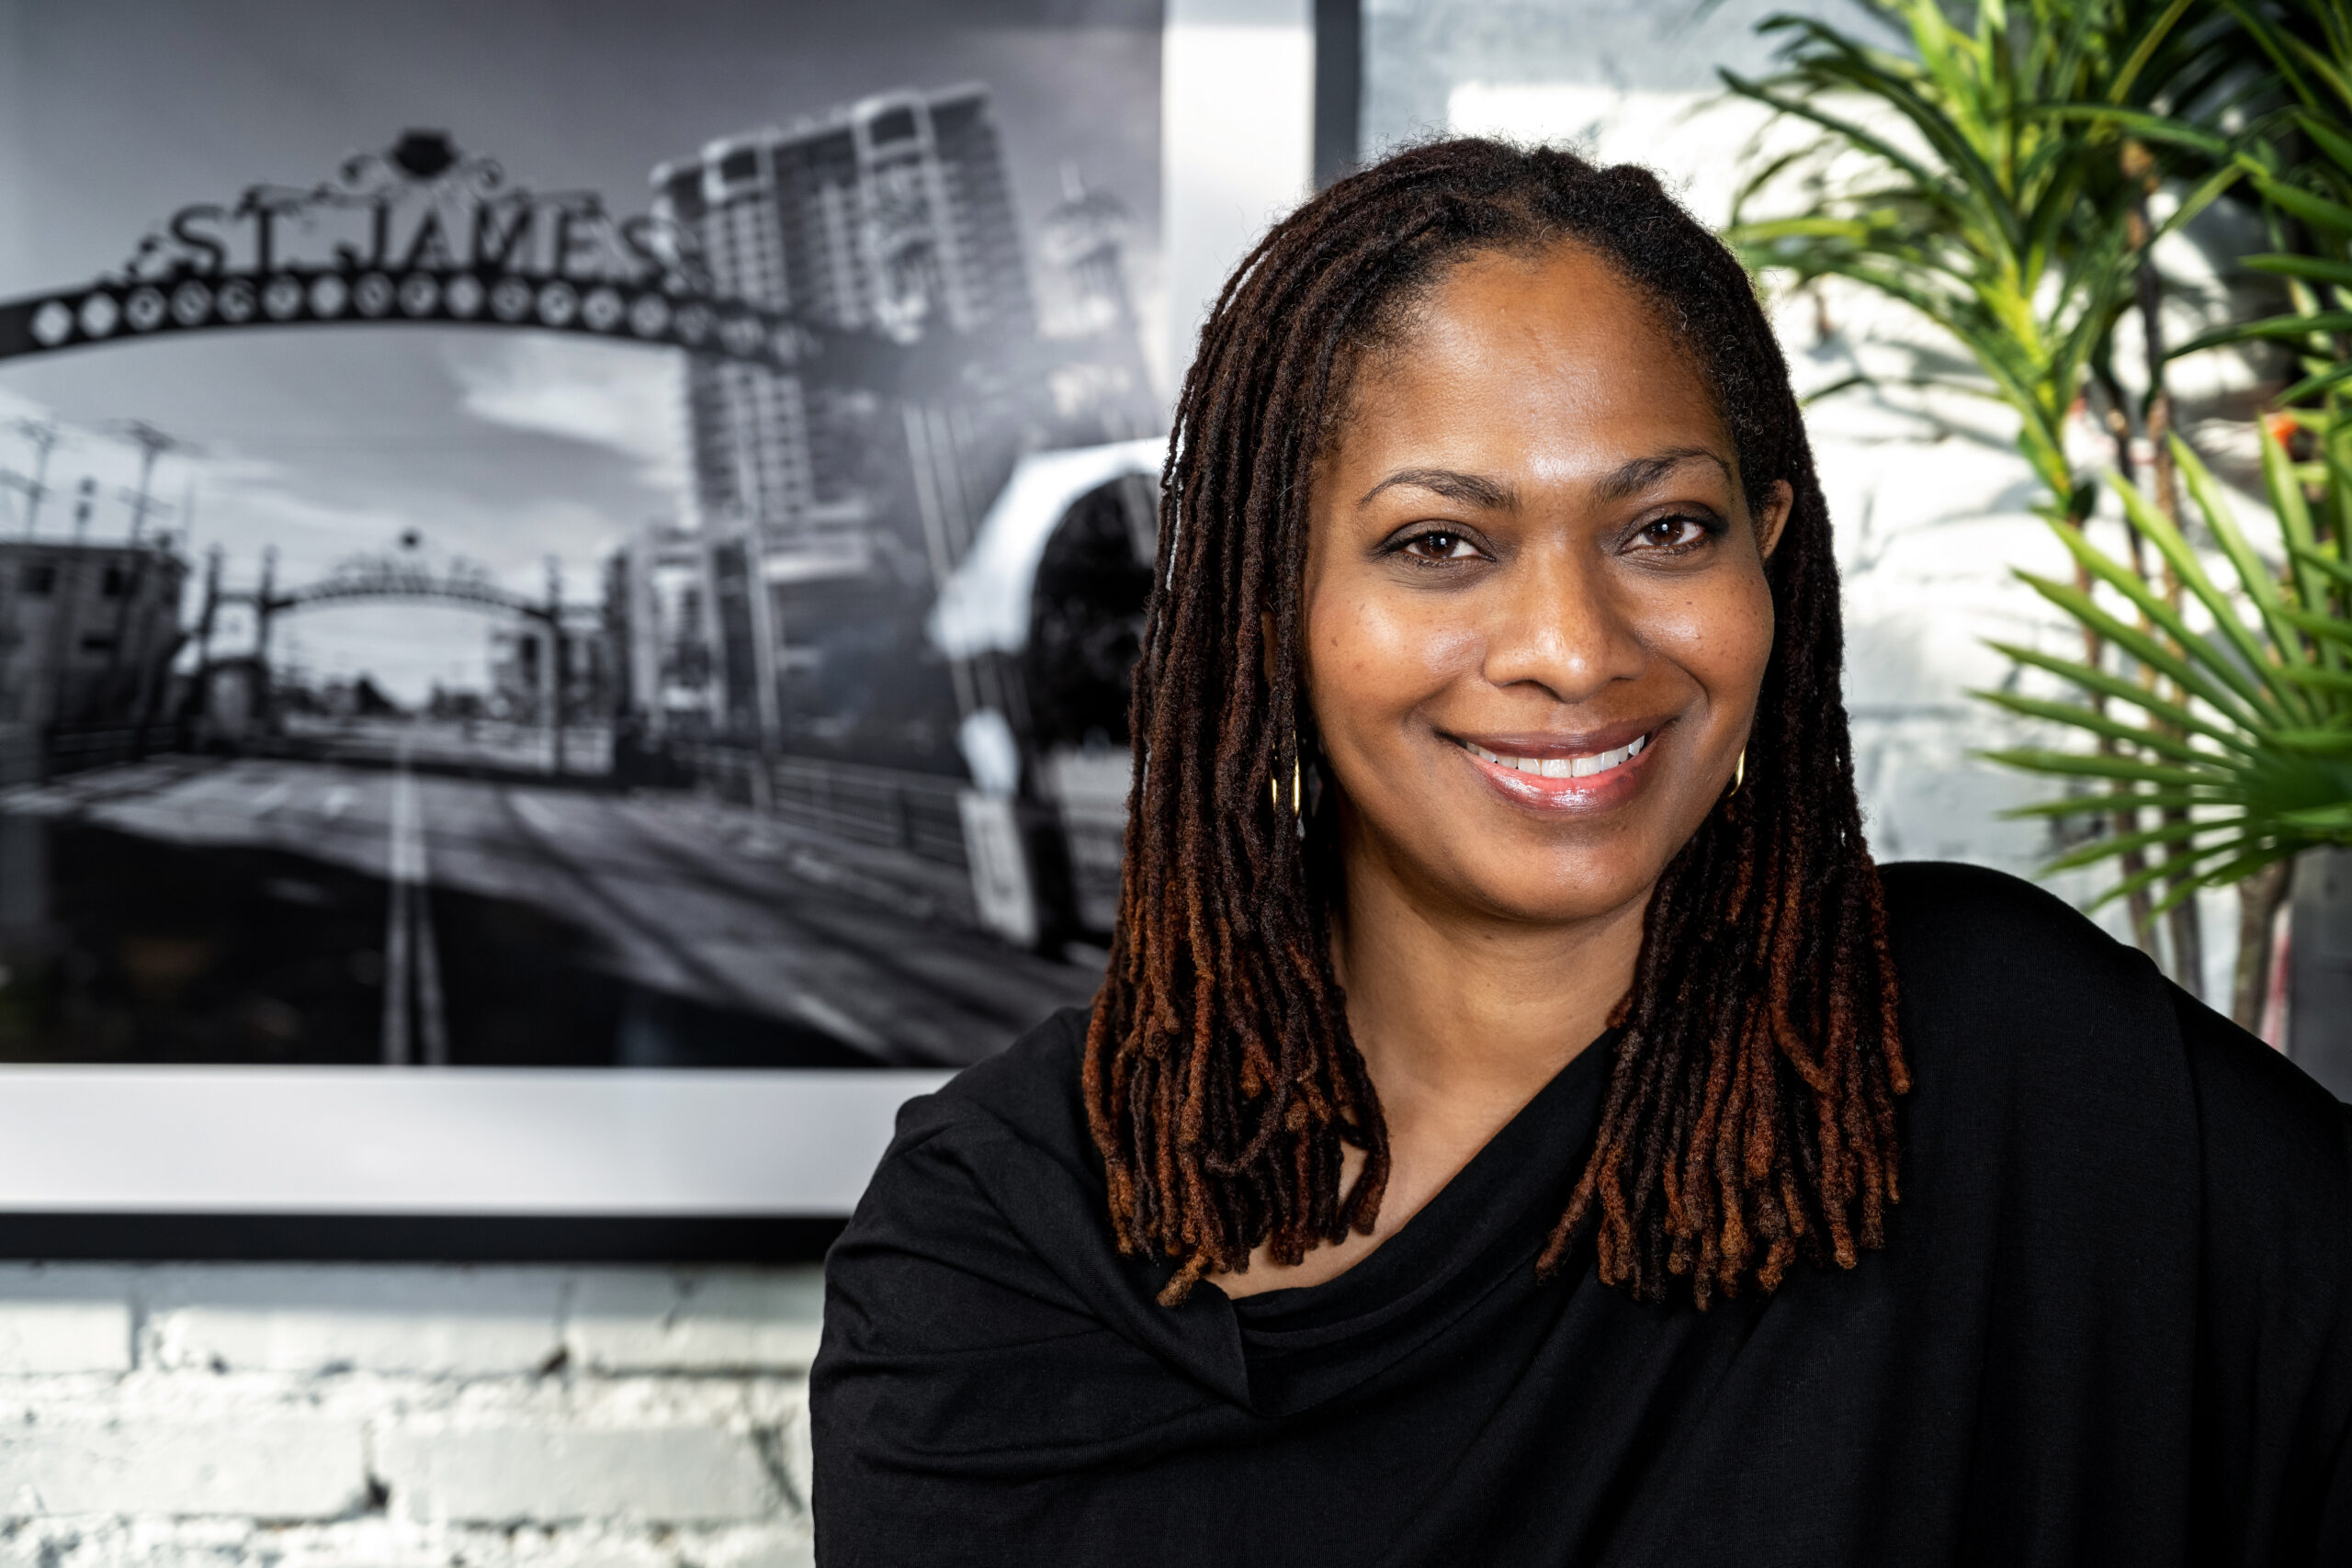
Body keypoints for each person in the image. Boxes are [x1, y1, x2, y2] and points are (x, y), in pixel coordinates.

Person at [809, 139, 2352, 1565]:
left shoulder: (2025, 1066)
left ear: (1770, 548)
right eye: (1440, 545)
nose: (1572, 647)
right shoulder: (997, 1256)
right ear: (1270, 600)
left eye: (1665, 529)